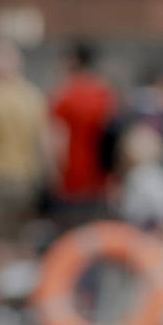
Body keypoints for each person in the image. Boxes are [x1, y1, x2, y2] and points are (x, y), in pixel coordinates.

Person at [44, 42, 119, 216]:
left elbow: (56, 142)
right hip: (100, 182)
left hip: (70, 181)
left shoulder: (62, 96)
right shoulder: (104, 93)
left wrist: (53, 177)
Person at [0, 42, 48, 240]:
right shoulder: (33, 96)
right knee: (21, 235)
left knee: (1, 238)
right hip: (27, 178)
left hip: (1, 177)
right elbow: (44, 142)